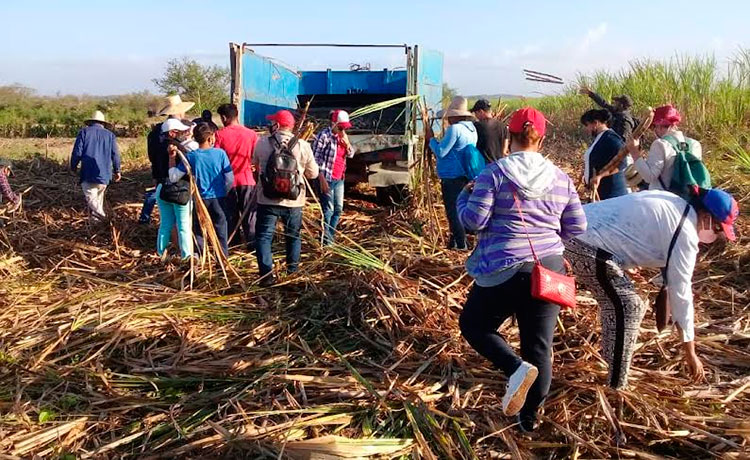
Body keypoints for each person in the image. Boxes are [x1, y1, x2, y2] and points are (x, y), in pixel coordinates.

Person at [456, 107, 587, 433]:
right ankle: (528, 420)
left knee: (475, 325)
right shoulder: (560, 178)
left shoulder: (494, 174)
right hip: (549, 269)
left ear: (509, 138)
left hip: (504, 267)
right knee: (540, 346)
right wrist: (552, 242)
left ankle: (515, 368)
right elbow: (577, 226)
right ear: (541, 139)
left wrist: (461, 199)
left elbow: (474, 221)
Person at [564, 188, 739, 389]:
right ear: (706, 217)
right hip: (581, 243)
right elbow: (681, 293)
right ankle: (616, 386)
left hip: (570, 229)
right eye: (718, 229)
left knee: (620, 299)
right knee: (629, 306)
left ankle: (610, 357)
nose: (716, 236)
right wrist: (690, 351)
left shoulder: (672, 201)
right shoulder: (686, 233)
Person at [253, 110, 319, 286]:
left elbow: (257, 166)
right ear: (292, 126)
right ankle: (292, 274)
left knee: (264, 237)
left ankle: (266, 276)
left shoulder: (262, 143)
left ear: (277, 125)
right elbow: (314, 174)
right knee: (293, 237)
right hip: (294, 201)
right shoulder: (303, 146)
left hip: (267, 199)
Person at [169, 123, 234, 256]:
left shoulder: (192, 156)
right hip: (218, 198)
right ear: (210, 138)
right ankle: (222, 258)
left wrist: (171, 158)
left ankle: (199, 258)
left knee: (199, 230)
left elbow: (174, 177)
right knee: (221, 229)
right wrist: (224, 192)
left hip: (200, 200)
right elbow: (229, 178)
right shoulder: (220, 154)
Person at [426, 96, 478, 251]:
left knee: (453, 211)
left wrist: (431, 140)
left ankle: (461, 244)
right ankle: (455, 242)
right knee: (460, 208)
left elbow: (441, 151)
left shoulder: (455, 129)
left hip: (452, 176)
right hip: (465, 175)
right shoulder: (471, 129)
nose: (447, 120)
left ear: (455, 116)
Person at [139, 95, 195, 224]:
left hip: (161, 173)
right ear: (179, 111)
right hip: (180, 176)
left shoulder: (155, 132)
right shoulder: (183, 130)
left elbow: (151, 155)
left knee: (165, 213)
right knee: (181, 212)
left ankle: (146, 220)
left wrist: (155, 173)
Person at [628, 105, 703, 193]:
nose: (653, 131)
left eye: (653, 127)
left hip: (663, 198)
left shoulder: (660, 144)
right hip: (688, 198)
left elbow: (649, 176)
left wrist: (634, 152)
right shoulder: (695, 144)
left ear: (658, 125)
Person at [215, 103, 259, 250]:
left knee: (230, 216)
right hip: (248, 180)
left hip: (228, 183)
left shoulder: (219, 135)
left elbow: (216, 160)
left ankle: (233, 246)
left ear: (224, 117)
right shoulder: (252, 135)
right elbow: (257, 158)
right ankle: (252, 246)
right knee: (250, 217)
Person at [312, 110, 356, 245]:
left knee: (338, 209)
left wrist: (347, 145)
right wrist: (321, 179)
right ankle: (327, 242)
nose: (343, 130)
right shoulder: (324, 136)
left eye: (345, 127)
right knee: (328, 210)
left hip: (339, 177)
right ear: (333, 124)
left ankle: (328, 236)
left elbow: (351, 154)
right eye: (341, 127)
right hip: (327, 178)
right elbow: (314, 159)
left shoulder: (343, 137)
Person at [70, 111, 121, 222]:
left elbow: (77, 153)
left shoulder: (84, 133)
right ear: (103, 123)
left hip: (88, 173)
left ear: (91, 122)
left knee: (92, 200)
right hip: (104, 175)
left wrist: (73, 167)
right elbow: (115, 154)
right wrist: (117, 170)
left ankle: (103, 219)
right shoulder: (110, 135)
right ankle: (96, 224)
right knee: (98, 200)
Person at [155, 118, 195, 260]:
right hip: (180, 191)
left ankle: (160, 253)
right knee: (183, 225)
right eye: (181, 131)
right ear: (172, 133)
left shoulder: (157, 147)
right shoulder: (177, 148)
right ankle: (187, 256)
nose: (185, 133)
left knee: (165, 223)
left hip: (162, 189)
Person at [580, 109, 629, 200]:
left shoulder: (612, 139)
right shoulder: (600, 138)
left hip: (612, 193)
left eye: (587, 125)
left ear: (596, 123)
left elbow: (622, 163)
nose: (586, 129)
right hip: (601, 192)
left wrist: (600, 176)